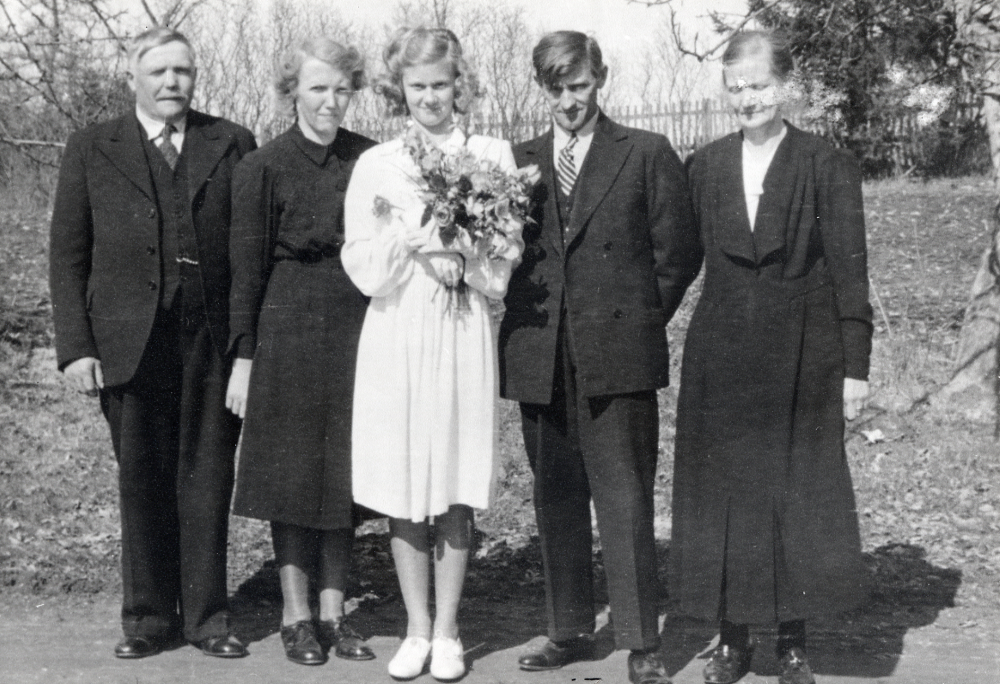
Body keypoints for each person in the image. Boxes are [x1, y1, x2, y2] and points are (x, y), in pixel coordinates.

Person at [666, 30, 873, 684]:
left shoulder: (825, 164)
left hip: (804, 352)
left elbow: (850, 272)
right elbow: (675, 266)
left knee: (796, 491)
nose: (748, 98)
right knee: (725, 495)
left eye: (759, 85)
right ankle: (731, 640)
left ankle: (791, 642)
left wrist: (856, 367)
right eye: (736, 88)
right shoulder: (703, 166)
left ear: (785, 87)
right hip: (721, 352)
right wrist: (634, 328)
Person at [498, 31, 700, 684]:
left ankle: (642, 641)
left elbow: (679, 253)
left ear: (601, 79)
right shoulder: (515, 162)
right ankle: (568, 630)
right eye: (555, 89)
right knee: (555, 499)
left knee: (625, 500)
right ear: (542, 89)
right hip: (541, 360)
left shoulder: (645, 153)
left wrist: (636, 323)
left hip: (618, 360)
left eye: (579, 86)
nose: (568, 102)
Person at [49, 27, 256, 659]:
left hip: (210, 342)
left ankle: (208, 619)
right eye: (160, 71)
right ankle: (146, 619)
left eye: (184, 72)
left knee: (207, 475)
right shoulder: (92, 146)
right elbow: (67, 256)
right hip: (126, 343)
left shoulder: (232, 142)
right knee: (141, 477)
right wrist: (77, 347)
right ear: (132, 76)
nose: (173, 83)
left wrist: (248, 345)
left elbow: (248, 256)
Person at [342, 26, 522, 683]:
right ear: (399, 91)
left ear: (459, 85)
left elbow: (506, 256)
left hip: (461, 326)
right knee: (401, 479)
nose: (430, 98)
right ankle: (415, 626)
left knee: (451, 475)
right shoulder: (376, 165)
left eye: (440, 85)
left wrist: (464, 257)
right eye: (417, 87)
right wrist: (421, 240)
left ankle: (448, 629)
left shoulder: (490, 154)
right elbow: (362, 262)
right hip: (396, 327)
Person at [224, 37, 377, 667]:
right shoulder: (261, 166)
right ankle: (296, 617)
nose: (329, 102)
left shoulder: (370, 158)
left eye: (341, 89)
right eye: (317, 88)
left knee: (345, 470)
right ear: (293, 93)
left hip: (358, 325)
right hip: (285, 325)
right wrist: (244, 358)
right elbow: (245, 271)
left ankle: (336, 614)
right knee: (290, 475)